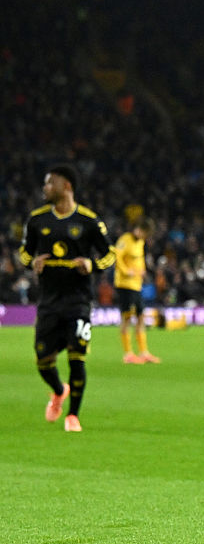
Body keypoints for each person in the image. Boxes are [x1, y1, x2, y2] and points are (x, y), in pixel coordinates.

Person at [17, 164, 116, 432]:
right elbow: (24, 254)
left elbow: (110, 254)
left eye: (50, 183)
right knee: (43, 360)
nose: (45, 188)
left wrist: (92, 265)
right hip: (49, 302)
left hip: (78, 302)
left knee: (77, 357)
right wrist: (32, 262)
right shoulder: (37, 220)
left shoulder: (88, 221)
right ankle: (58, 390)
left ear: (67, 186)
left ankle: (73, 416)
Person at [115, 217, 161, 363]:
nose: (145, 237)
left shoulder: (140, 242)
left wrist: (142, 271)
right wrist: (126, 271)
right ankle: (128, 354)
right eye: (145, 233)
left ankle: (143, 352)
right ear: (139, 229)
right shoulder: (125, 239)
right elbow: (117, 258)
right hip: (125, 285)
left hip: (136, 285)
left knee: (141, 317)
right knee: (127, 318)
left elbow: (138, 260)